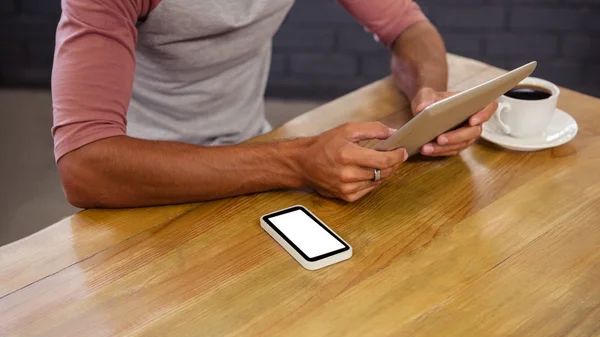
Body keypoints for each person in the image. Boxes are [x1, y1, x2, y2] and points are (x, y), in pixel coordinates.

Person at [52, 0, 497, 208]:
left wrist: (431, 99)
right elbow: (86, 166)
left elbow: (406, 26)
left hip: (253, 144)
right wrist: (297, 162)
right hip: (141, 174)